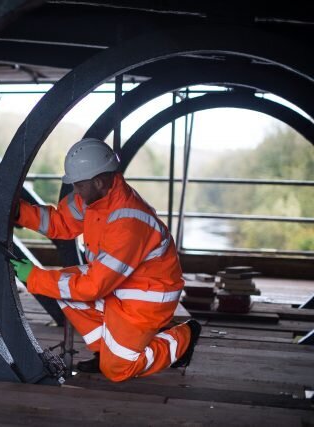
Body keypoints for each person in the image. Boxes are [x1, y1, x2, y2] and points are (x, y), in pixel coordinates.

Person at [11, 138, 201, 382]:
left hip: (145, 298)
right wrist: (18, 212)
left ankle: (183, 337)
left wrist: (35, 277)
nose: (75, 192)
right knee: (65, 291)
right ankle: (105, 352)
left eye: (78, 186)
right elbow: (61, 222)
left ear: (98, 182)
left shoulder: (128, 223)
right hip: (119, 285)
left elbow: (94, 286)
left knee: (118, 369)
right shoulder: (94, 199)